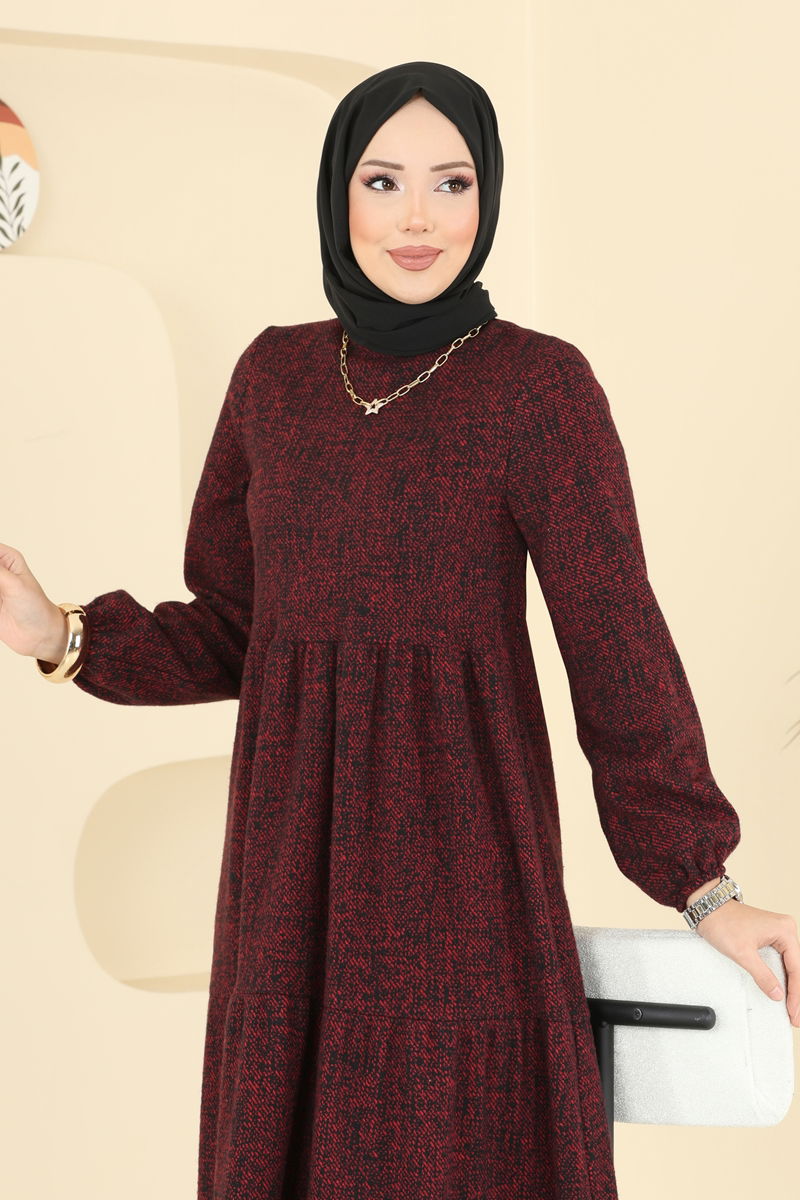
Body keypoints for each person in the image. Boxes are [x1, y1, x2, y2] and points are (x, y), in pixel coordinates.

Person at [1, 60, 797, 1200]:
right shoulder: (274, 378)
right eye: (382, 181)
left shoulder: (538, 389)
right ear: (339, 194)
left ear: (486, 197)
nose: (418, 218)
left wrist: (703, 888)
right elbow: (238, 628)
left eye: (451, 183)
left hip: (460, 875)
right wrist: (61, 632)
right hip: (288, 881)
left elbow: (616, 645)